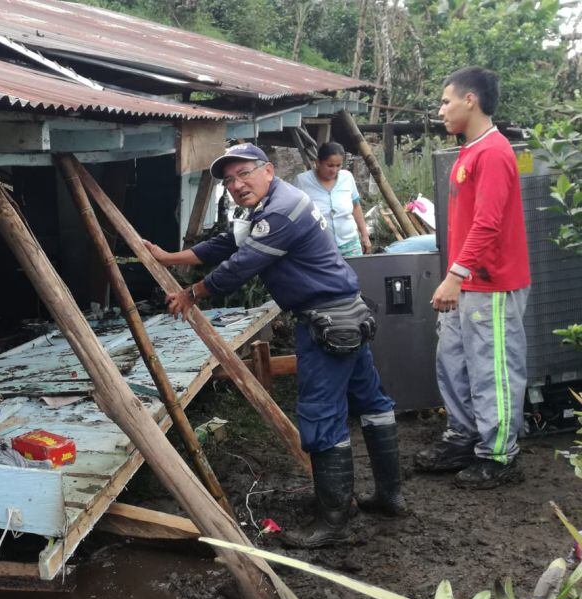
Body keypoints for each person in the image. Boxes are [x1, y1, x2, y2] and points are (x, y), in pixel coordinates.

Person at [143, 143, 405, 548]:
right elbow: (228, 243)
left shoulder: (280, 210)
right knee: (371, 402)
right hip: (347, 314)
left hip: (324, 323)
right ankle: (390, 497)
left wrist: (190, 293)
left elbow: (241, 265)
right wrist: (168, 257)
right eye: (229, 180)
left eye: (243, 173)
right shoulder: (267, 207)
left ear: (268, 170)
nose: (236, 184)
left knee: (321, 415)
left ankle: (333, 521)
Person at [417, 67, 530, 488]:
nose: (441, 110)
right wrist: (457, 277)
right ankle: (463, 436)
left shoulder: (495, 152)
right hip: (467, 280)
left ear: (471, 100)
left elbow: (487, 223)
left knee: (492, 368)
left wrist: (455, 276)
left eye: (446, 101)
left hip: (492, 282)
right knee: (454, 362)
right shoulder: (470, 151)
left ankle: (499, 456)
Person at [294, 142, 372, 256]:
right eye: (330, 165)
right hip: (318, 247)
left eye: (338, 165)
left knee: (354, 273)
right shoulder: (302, 182)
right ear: (317, 163)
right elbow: (294, 214)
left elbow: (356, 206)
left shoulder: (347, 177)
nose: (334, 170)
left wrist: (365, 236)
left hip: (350, 244)